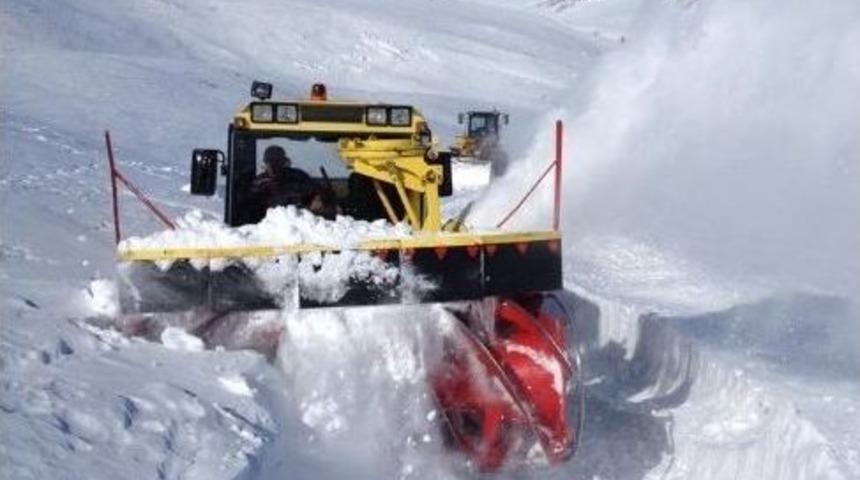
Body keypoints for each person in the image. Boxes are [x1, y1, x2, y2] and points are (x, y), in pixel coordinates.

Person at [250, 145, 315, 212]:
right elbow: (251, 207)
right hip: (269, 221)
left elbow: (314, 196)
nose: (272, 166)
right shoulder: (259, 183)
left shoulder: (299, 177)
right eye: (269, 161)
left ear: (284, 161)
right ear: (265, 162)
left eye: (276, 161)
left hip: (300, 219)